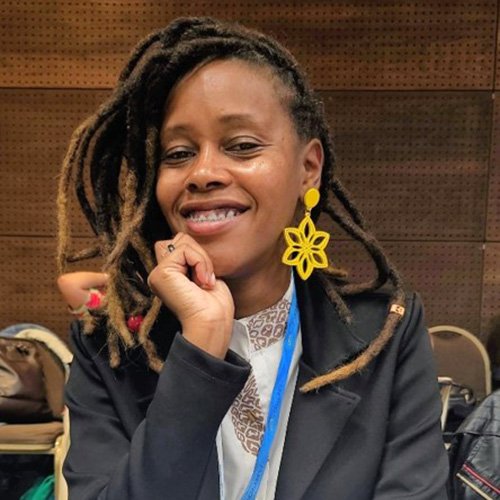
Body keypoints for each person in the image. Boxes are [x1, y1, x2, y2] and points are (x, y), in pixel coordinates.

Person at [57, 17, 449, 499]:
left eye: (242, 146)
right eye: (177, 154)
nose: (202, 172)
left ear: (308, 168)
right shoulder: (110, 350)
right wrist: (199, 352)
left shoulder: (386, 333)